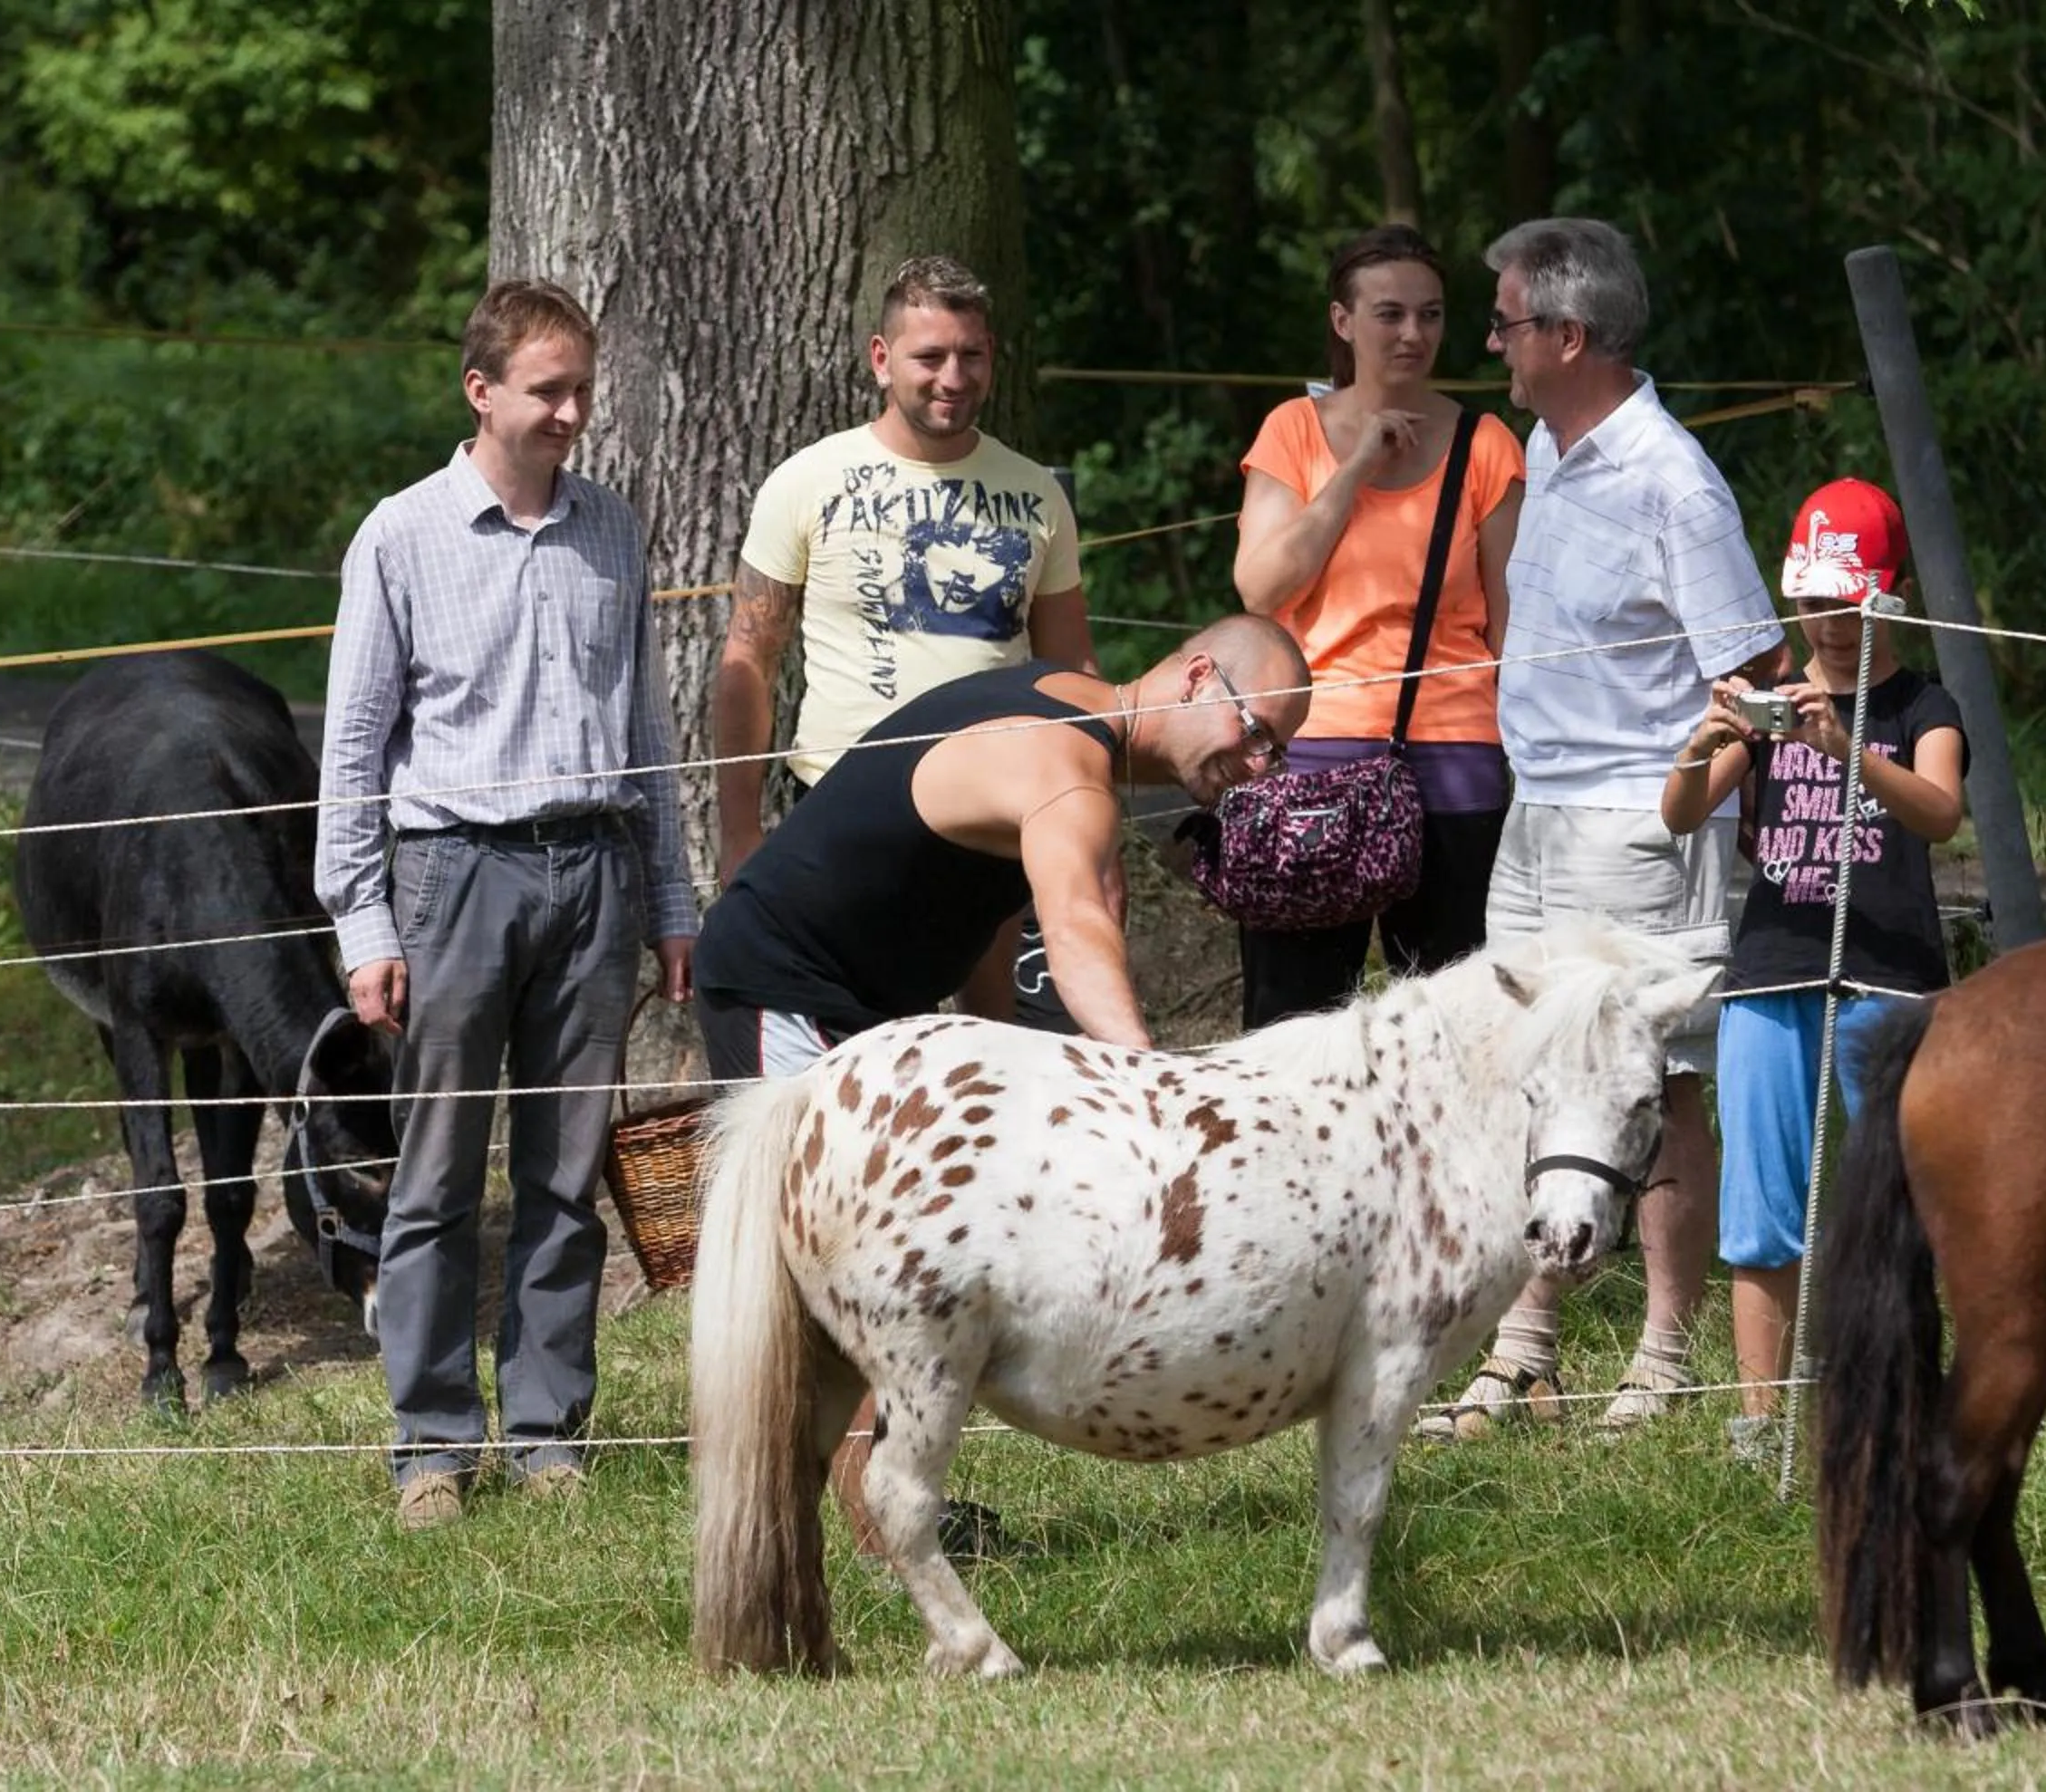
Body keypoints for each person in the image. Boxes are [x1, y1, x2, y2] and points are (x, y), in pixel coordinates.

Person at [694, 612, 1309, 1553]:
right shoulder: (1070, 769)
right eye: (1256, 729)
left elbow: (991, 918)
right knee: (831, 1265)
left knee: (889, 1248)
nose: (1261, 764)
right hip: (784, 982)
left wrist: (996, 1063)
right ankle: (852, 1517)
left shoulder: (1061, 704)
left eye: (1280, 748)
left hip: (874, 1010)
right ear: (1195, 678)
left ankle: (879, 1500)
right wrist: (1163, 1094)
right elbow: (1073, 928)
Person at [316, 278, 700, 1530]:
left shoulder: (611, 529)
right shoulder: (403, 534)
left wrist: (670, 899)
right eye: (548, 390)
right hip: (454, 874)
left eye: (583, 389)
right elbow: (357, 744)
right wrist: (362, 922)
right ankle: (430, 1441)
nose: (572, 412)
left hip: (593, 869)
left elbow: (645, 726)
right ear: (480, 392)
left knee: (566, 1169)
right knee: (432, 1173)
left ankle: (548, 1432)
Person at [1425, 217, 1783, 1440]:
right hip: (1537, 814)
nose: (1491, 344)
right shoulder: (1551, 438)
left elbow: (1755, 676)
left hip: (1640, 823)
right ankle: (1525, 1344)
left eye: (1507, 324)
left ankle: (1665, 1352)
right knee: (1533, 1070)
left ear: (1570, 336)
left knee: (1657, 1081)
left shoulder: (1674, 480)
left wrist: (1681, 809)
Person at [713, 254, 1098, 1028]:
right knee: (863, 1033)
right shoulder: (807, 480)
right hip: (845, 800)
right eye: (930, 357)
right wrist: (739, 830)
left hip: (998, 805)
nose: (952, 377)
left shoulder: (1037, 493)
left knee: (995, 1039)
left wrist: (1097, 836)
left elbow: (1072, 673)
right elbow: (748, 659)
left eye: (971, 355)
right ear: (882, 360)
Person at [1660, 477, 1964, 1451]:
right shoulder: (1772, 705)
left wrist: (1845, 751)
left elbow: (1940, 812)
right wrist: (1703, 741)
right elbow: (1677, 814)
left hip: (1890, 980)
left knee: (1910, 1195)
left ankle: (1913, 1398)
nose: (1830, 623)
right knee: (1762, 1206)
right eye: (1813, 603)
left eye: (1848, 602)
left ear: (1891, 592)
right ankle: (1761, 1422)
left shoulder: (1923, 704)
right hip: (1772, 973)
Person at [1230, 225, 1527, 1026]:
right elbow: (1261, 589)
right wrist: (1355, 466)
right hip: (1311, 746)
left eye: (1430, 315)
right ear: (1342, 322)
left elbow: (1511, 629)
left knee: (1455, 1023)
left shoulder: (1486, 443)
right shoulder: (1293, 430)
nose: (1413, 335)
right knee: (1290, 1022)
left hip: (1456, 754)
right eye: (1390, 314)